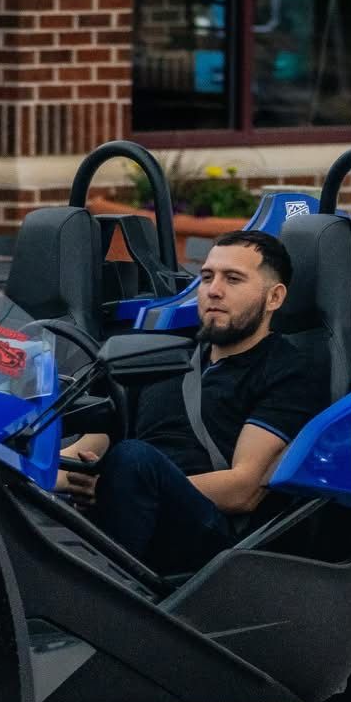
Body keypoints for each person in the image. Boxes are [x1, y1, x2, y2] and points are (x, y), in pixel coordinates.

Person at [59, 229, 329, 576]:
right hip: (130, 513)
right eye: (206, 277)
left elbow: (244, 489)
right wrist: (8, 462)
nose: (213, 290)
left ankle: (101, 606)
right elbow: (89, 451)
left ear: (274, 298)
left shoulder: (289, 372)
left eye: (233, 279)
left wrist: (119, 489)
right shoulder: (162, 358)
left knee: (133, 459)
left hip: (213, 545)